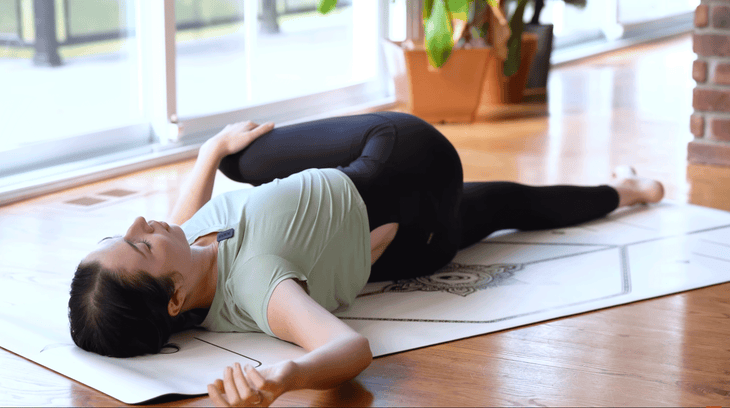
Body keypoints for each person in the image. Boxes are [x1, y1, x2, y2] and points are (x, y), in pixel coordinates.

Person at [68, 112, 663, 407]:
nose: (140, 223)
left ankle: (627, 192)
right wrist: (283, 379)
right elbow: (349, 348)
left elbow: (181, 216)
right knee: (245, 163)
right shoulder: (257, 283)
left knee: (509, 204)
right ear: (173, 299)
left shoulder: (189, 255)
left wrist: (207, 152)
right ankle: (623, 190)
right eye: (141, 244)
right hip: (407, 157)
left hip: (419, 238)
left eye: (124, 232)